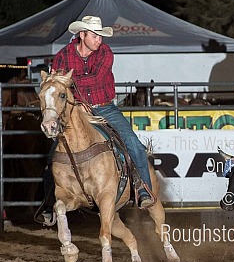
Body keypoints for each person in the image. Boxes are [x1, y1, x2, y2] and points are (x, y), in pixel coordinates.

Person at [36, 16, 154, 225]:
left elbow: (97, 78)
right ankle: (48, 203)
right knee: (54, 156)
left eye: (99, 35)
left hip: (105, 107)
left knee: (133, 144)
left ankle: (143, 189)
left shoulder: (105, 52)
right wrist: (71, 94)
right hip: (76, 110)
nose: (99, 40)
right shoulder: (64, 55)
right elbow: (57, 87)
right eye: (94, 35)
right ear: (82, 35)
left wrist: (68, 82)